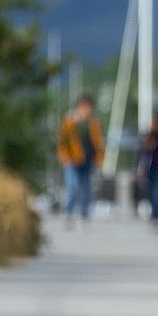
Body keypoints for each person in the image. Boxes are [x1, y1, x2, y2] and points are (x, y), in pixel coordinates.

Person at [56, 94, 105, 228]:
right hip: (72, 160)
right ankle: (68, 214)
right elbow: (62, 140)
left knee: (86, 189)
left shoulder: (93, 123)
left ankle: (84, 216)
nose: (85, 109)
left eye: (87, 106)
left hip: (88, 160)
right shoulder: (69, 120)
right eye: (83, 106)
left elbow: (99, 142)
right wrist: (64, 157)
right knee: (72, 187)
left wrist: (100, 159)